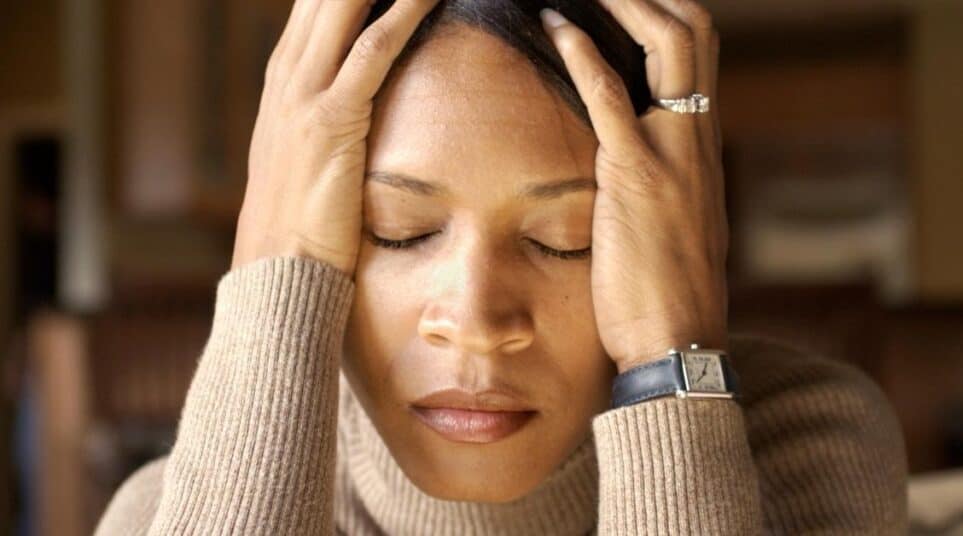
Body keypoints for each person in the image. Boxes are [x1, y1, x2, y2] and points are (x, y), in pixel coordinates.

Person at [94, 0, 908, 534]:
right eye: (399, 230)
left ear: (677, 233)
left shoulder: (809, 441)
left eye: (565, 237)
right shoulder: (166, 513)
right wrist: (274, 269)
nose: (477, 320)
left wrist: (673, 366)